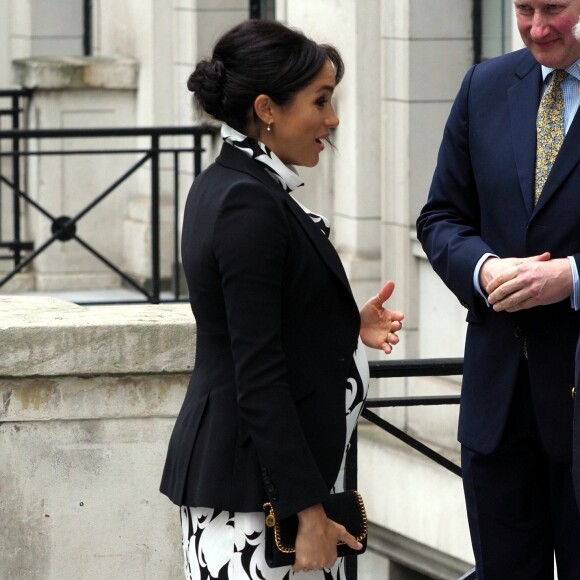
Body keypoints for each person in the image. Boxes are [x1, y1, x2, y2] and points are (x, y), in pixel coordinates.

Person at [160, 19, 404, 580]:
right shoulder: (248, 201)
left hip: (263, 489)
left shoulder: (233, 184)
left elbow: (265, 319)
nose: (333, 120)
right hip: (257, 500)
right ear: (267, 109)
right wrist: (308, 511)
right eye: (320, 101)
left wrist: (341, 322)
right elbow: (258, 372)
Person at [416, 1, 580, 578]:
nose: (537, 27)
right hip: (498, 408)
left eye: (554, 8)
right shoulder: (483, 85)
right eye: (524, 8)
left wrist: (573, 277)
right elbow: (439, 218)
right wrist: (483, 269)